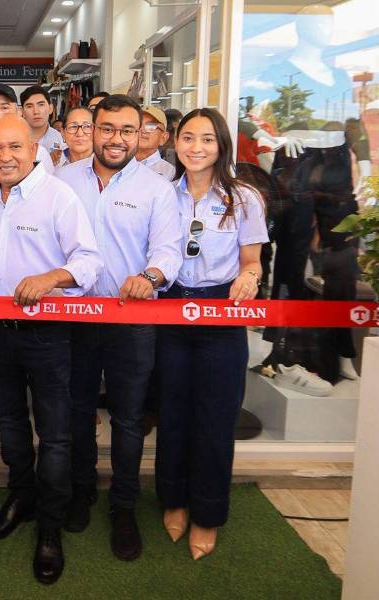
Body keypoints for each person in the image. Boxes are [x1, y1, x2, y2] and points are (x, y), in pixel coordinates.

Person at [0, 114, 101, 585]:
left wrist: (50, 278)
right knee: (9, 423)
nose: (5, 156)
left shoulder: (58, 196)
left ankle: (50, 524)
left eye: (15, 147)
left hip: (49, 332)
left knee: (56, 434)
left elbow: (89, 260)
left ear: (35, 149)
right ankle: (21, 496)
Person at [57, 94, 182, 561]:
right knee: (77, 411)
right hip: (74, 318)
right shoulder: (63, 180)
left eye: (127, 131)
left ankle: (124, 504)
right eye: (106, 128)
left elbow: (168, 251)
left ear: (141, 135)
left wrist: (150, 277)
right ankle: (82, 491)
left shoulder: (157, 188)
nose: (116, 139)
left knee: (129, 419)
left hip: (132, 321)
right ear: (92, 130)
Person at [156, 108, 267, 559]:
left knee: (216, 417)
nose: (196, 147)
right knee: (173, 411)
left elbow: (252, 262)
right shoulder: (162, 196)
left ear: (221, 145)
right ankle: (174, 501)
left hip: (221, 312)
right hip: (169, 308)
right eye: (187, 138)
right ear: (175, 142)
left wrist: (250, 279)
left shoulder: (245, 199)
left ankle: (208, 514)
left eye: (206, 139)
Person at [21, 85, 64, 153]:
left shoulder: (61, 139)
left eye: (41, 105)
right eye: (29, 106)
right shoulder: (14, 139)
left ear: (50, 108)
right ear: (22, 112)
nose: (36, 111)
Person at [136, 106, 175, 180]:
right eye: (138, 124)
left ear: (163, 138)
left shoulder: (170, 173)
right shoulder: (118, 164)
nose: (143, 130)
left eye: (151, 126)